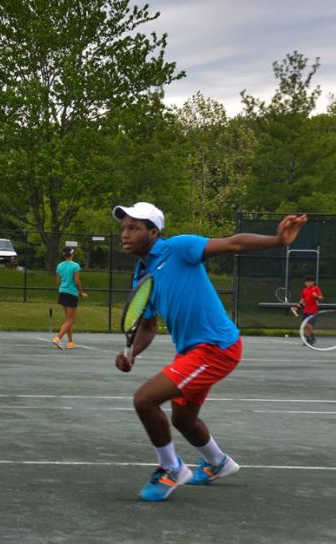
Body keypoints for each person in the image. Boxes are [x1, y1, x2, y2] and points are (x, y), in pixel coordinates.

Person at [113, 201, 307, 502]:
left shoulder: (178, 248)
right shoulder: (142, 276)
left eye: (133, 228)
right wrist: (132, 353)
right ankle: (218, 463)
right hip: (192, 353)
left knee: (144, 400)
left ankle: (171, 469)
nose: (125, 234)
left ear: (153, 232)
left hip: (216, 348)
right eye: (124, 228)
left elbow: (234, 243)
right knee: (183, 419)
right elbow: (148, 328)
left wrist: (278, 240)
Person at [52, 246, 88, 349]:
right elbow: (77, 282)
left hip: (62, 293)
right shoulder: (75, 266)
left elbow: (58, 282)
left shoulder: (59, 266)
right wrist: (81, 293)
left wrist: (63, 288)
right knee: (71, 320)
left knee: (68, 319)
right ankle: (58, 338)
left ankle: (70, 342)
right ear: (72, 254)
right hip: (71, 294)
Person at [293, 276, 324, 345]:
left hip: (313, 311)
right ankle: (309, 338)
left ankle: (311, 338)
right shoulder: (304, 290)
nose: (308, 283)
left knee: (309, 325)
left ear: (313, 282)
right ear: (305, 283)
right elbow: (302, 300)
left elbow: (321, 298)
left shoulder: (316, 289)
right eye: (307, 282)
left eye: (310, 282)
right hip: (306, 311)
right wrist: (297, 307)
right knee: (305, 325)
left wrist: (317, 296)